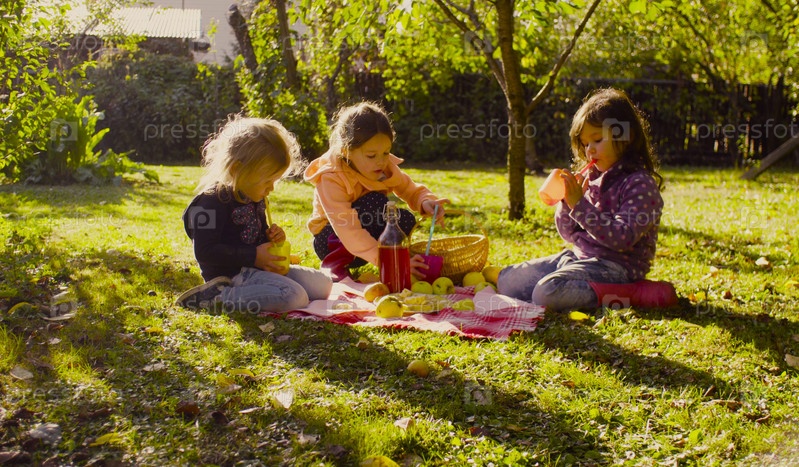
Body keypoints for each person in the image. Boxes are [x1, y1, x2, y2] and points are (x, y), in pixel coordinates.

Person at [498, 88, 677, 310]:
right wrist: (567, 203)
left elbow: (622, 238)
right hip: (579, 259)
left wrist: (579, 205)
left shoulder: (639, 184)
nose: (589, 150)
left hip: (617, 268)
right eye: (584, 143)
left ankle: (633, 293)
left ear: (626, 137)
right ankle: (571, 284)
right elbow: (568, 234)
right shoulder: (591, 178)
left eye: (597, 140)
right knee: (506, 281)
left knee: (546, 293)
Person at [176, 116, 332, 312]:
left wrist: (271, 238)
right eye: (267, 181)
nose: (271, 188)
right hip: (232, 275)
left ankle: (264, 289)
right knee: (294, 297)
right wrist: (253, 255)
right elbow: (205, 252)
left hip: (257, 269)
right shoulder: (209, 203)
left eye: (274, 181)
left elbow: (256, 235)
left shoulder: (253, 196)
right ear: (237, 169)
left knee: (324, 284)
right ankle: (218, 297)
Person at [304, 101, 449, 281]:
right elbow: (347, 228)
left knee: (404, 219)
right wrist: (387, 260)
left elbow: (409, 188)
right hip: (331, 240)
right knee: (375, 202)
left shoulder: (382, 166)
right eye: (371, 155)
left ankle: (392, 259)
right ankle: (336, 265)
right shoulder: (331, 177)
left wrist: (425, 201)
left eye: (386, 153)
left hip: (364, 237)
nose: (381, 161)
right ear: (346, 151)